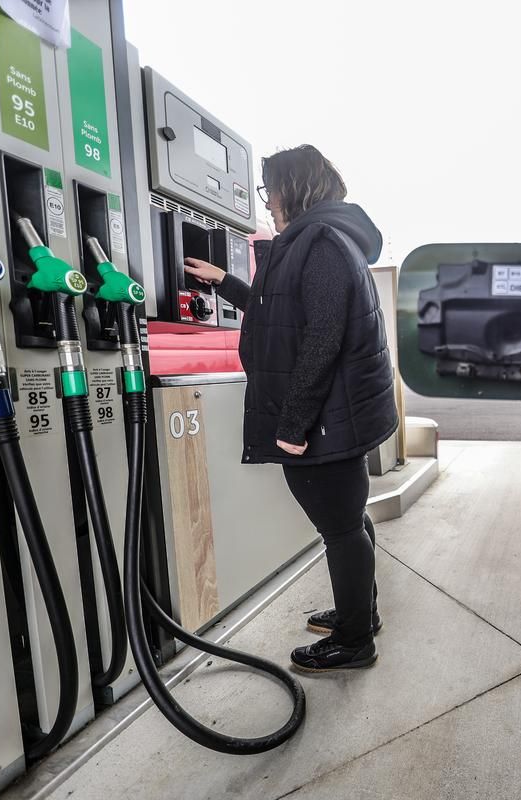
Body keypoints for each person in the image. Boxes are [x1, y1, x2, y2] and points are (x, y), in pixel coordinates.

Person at [184, 145, 397, 672]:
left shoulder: (321, 243)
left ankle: (354, 641)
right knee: (348, 520)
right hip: (336, 417)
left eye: (269, 189)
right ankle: (360, 615)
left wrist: (293, 424)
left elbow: (322, 338)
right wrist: (226, 282)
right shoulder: (322, 238)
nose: (267, 201)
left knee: (341, 529)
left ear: (292, 188)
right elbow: (281, 309)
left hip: (324, 421)